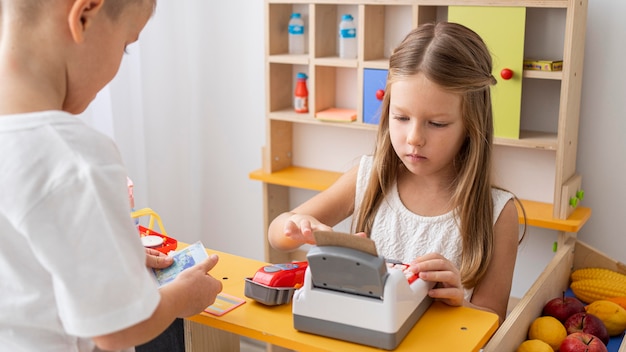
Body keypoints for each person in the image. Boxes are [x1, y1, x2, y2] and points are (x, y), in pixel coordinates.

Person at [0, 0, 223, 351]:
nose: (120, 62)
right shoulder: (76, 157)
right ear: (84, 14)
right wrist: (184, 295)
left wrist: (112, 255)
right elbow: (117, 328)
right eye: (125, 47)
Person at [268, 22, 526, 324]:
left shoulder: (497, 212)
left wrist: (460, 303)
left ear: (472, 123)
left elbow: (492, 321)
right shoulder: (368, 177)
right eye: (401, 117)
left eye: (437, 123)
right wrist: (295, 226)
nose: (414, 137)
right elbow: (276, 233)